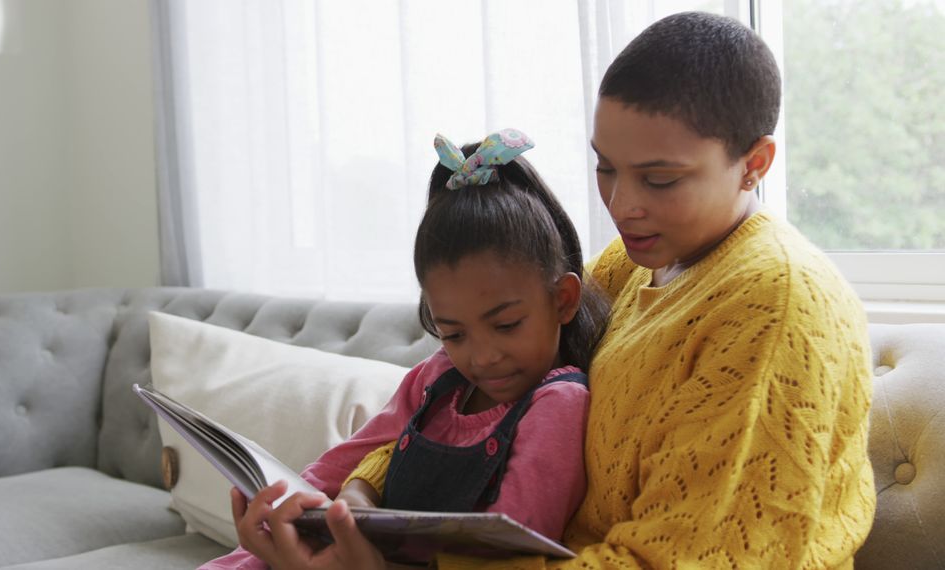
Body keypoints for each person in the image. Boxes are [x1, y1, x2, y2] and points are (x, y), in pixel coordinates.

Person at [226, 11, 877, 569]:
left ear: (755, 164)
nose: (622, 206)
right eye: (605, 167)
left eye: (659, 179)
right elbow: (471, 397)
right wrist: (356, 505)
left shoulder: (774, 304)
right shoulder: (632, 264)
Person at [202, 128, 611, 569]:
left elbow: (509, 545)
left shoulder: (558, 403)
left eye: (507, 325)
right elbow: (344, 463)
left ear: (562, 300)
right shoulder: (435, 379)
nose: (483, 356)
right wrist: (287, 504)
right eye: (454, 334)